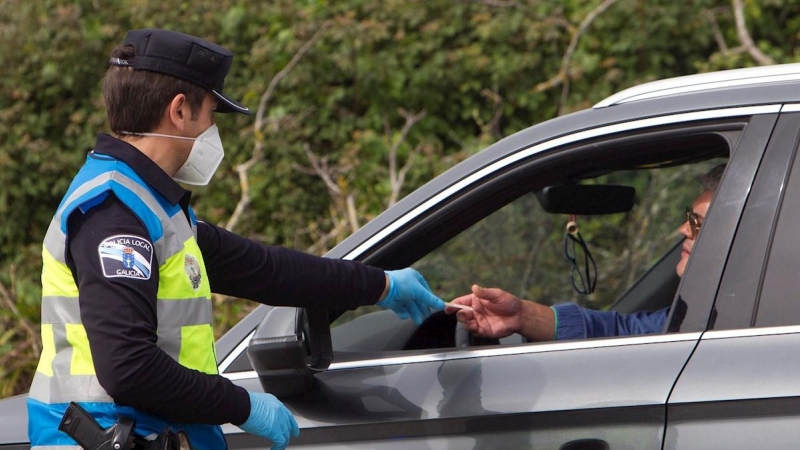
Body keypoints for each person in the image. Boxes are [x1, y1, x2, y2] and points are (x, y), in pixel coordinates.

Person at [27, 29, 444, 450]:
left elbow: (265, 270)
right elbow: (128, 368)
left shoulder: (153, 206)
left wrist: (380, 284)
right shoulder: (115, 214)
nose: (211, 131)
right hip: (112, 436)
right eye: (211, 114)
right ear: (179, 111)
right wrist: (240, 405)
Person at [446, 164, 725, 342]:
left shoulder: (737, 319)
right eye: (688, 217)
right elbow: (626, 332)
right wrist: (522, 315)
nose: (682, 230)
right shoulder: (717, 311)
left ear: (736, 230)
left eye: (697, 223)